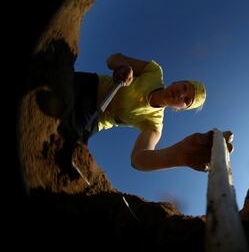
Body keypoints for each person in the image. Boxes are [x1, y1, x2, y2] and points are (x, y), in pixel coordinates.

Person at [71, 53, 232, 173]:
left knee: (68, 144)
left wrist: (179, 155)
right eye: (184, 87)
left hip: (93, 120)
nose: (181, 94)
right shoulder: (154, 72)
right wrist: (123, 67)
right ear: (177, 82)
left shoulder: (154, 125)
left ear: (180, 108)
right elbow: (112, 58)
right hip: (89, 85)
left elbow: (138, 159)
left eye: (186, 100)